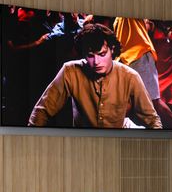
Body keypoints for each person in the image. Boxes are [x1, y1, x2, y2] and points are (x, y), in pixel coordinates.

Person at [28, 23, 162, 129]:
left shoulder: (130, 76)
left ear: (112, 50)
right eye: (90, 56)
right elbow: (42, 111)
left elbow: (152, 119)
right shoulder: (70, 70)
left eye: (102, 54)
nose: (97, 62)